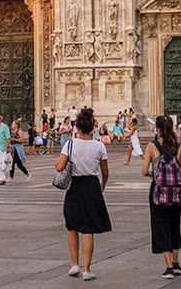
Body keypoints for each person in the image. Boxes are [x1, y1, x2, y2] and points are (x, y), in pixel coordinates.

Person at [58, 107, 112, 281]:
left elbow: (59, 167)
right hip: (92, 186)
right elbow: (105, 173)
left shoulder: (70, 144)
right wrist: (102, 186)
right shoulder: (99, 146)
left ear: (78, 128)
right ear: (93, 128)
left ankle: (75, 265)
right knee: (88, 228)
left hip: (75, 186)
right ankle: (87, 269)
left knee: (72, 225)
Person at [143, 114, 181, 280]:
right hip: (177, 193)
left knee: (162, 227)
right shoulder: (180, 147)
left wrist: (154, 174)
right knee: (174, 226)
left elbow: (143, 171)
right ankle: (176, 264)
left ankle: (169, 267)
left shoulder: (151, 146)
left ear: (157, 129)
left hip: (158, 192)